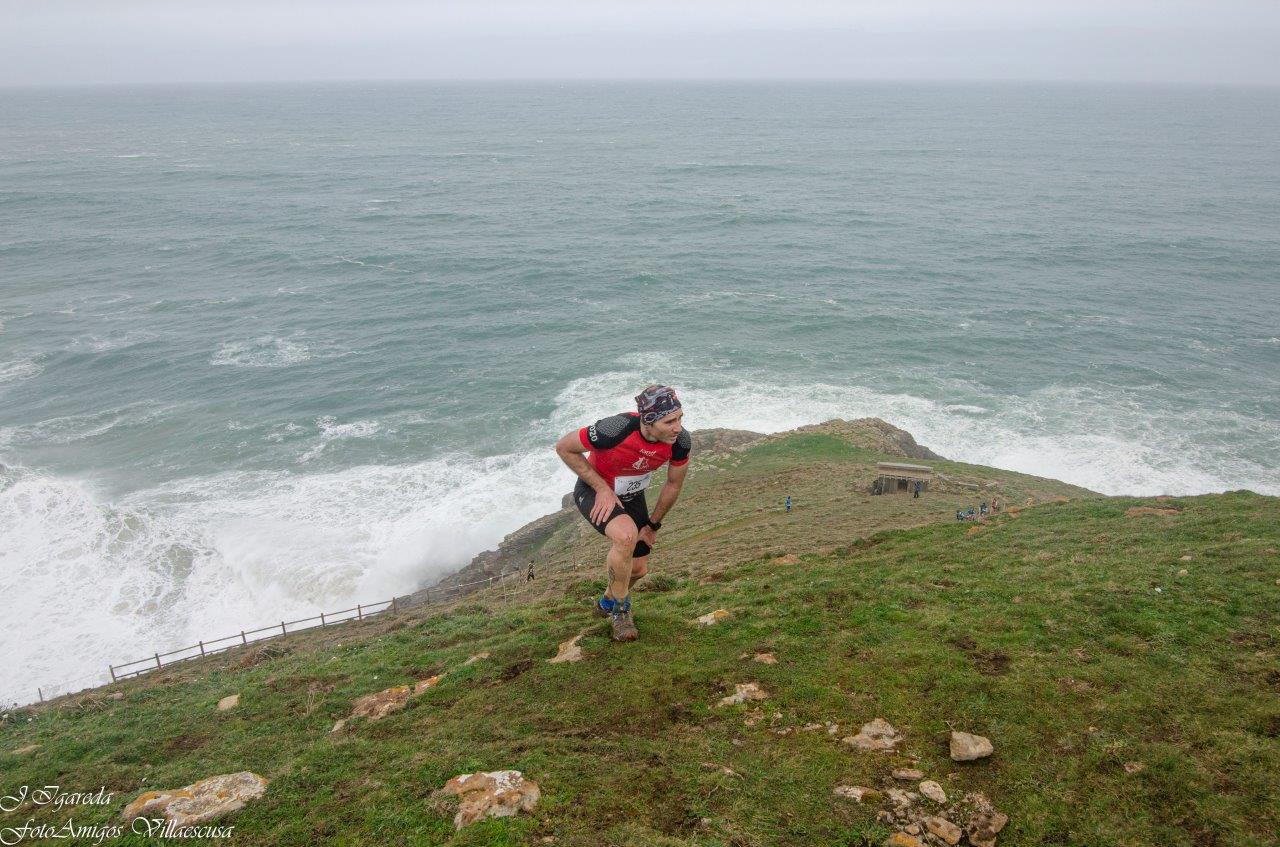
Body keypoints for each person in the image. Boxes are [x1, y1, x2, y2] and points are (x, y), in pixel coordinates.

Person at [554, 385, 690, 642]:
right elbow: (563, 447)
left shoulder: (680, 442)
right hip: (595, 491)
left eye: (680, 418)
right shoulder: (613, 430)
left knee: (638, 570)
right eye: (670, 421)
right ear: (648, 422)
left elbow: (674, 484)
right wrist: (602, 488)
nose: (678, 427)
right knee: (626, 536)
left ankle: (607, 602)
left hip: (632, 497)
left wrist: (652, 525)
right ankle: (620, 612)